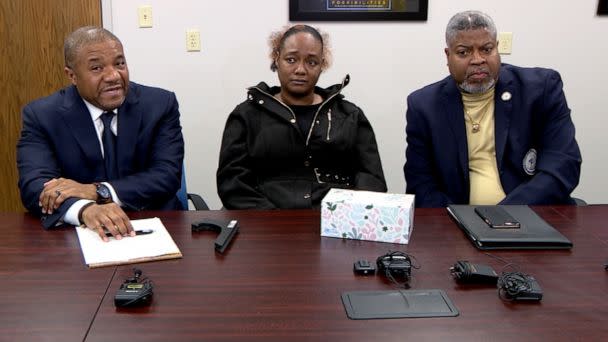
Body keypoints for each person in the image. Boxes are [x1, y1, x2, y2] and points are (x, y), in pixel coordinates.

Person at [17, 26, 184, 240]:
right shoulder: (43, 116)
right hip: (82, 235)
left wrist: (97, 191)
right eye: (96, 68)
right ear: (72, 76)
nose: (113, 76)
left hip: (154, 224)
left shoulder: (160, 104)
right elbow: (34, 185)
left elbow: (167, 175)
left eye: (119, 63)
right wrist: (84, 208)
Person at [404, 10, 581, 208]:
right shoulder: (423, 106)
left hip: (534, 215)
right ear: (448, 55)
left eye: (486, 49)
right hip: (457, 224)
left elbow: (563, 165)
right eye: (464, 52)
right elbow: (421, 185)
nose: (477, 60)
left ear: (497, 48)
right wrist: (463, 221)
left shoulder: (541, 89)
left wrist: (501, 217)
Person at [217, 24, 386, 209]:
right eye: (291, 60)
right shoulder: (246, 116)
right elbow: (232, 182)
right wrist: (273, 220)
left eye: (311, 62)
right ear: (277, 60)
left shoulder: (349, 115)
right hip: (265, 225)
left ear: (322, 65)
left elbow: (372, 178)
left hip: (335, 223)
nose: (300, 70)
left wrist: (347, 214)